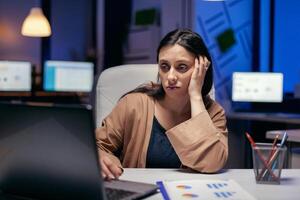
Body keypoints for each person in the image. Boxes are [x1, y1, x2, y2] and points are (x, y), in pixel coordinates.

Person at [96, 28, 228, 180]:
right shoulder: (134, 104)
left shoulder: (214, 113)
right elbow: (97, 146)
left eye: (182, 67)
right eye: (164, 67)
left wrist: (196, 96)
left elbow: (212, 163)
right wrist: (104, 159)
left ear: (201, 69)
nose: (170, 76)